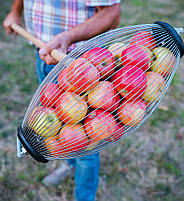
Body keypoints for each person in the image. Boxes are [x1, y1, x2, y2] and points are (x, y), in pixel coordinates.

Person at [3, 1, 121, 201]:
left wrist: (69, 36)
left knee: (86, 142)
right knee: (63, 133)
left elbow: (111, 14)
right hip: (43, 52)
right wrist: (16, 11)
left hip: (80, 65)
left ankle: (85, 196)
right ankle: (70, 164)